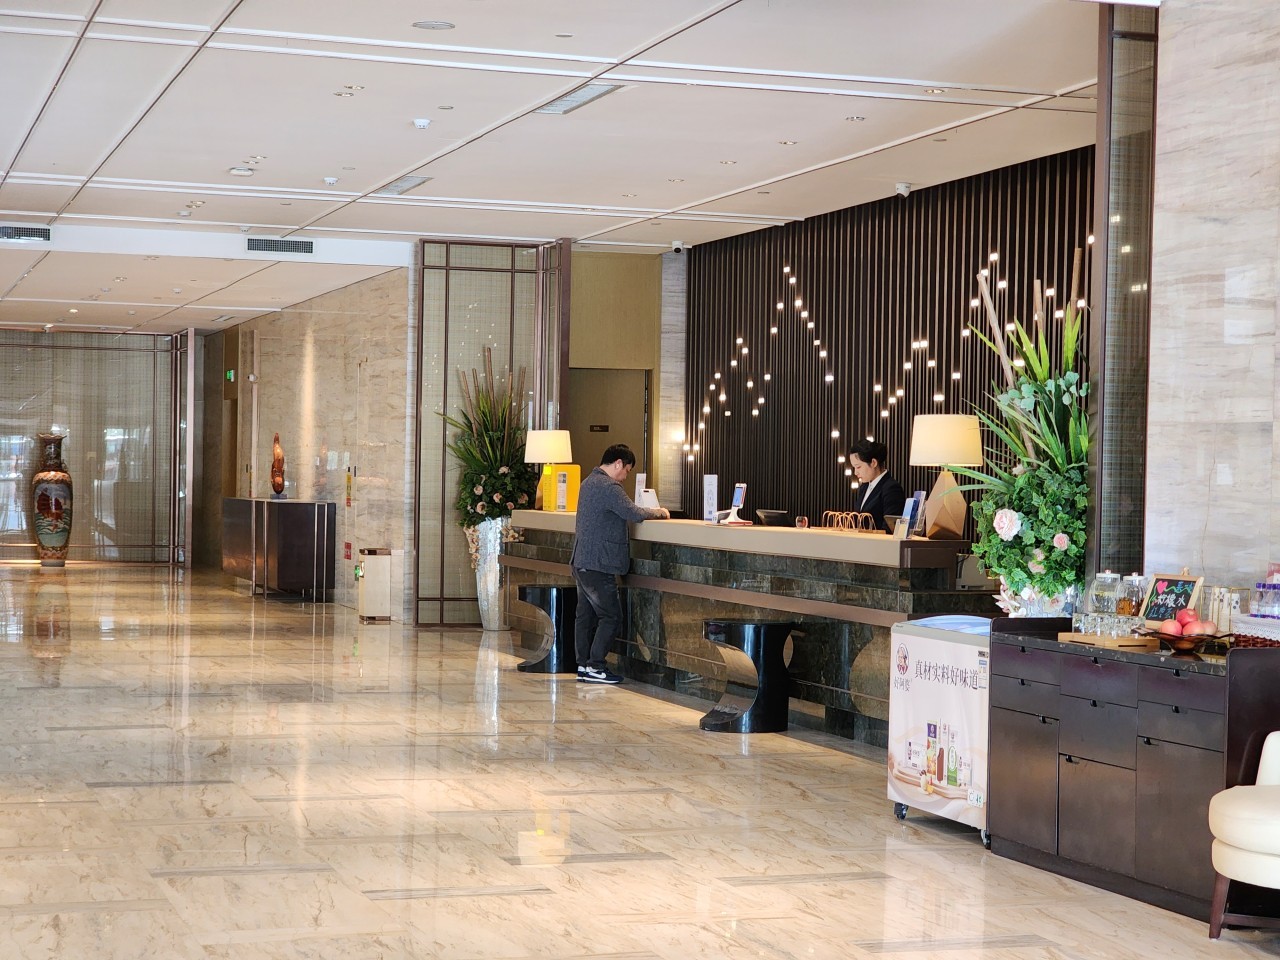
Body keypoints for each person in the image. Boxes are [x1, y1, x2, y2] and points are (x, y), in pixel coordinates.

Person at [571, 443, 669, 684]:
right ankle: (596, 666)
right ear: (618, 464)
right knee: (611, 617)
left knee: (585, 616)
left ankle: (583, 665)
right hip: (599, 563)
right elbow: (633, 512)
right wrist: (658, 512)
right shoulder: (609, 486)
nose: (626, 476)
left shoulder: (588, 482)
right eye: (627, 470)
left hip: (583, 560)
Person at [850, 438, 906, 532]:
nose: (855, 472)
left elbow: (890, 529)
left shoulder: (891, 488)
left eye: (858, 467)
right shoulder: (864, 486)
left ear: (873, 463)